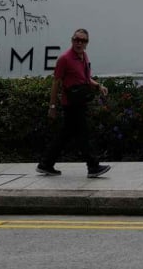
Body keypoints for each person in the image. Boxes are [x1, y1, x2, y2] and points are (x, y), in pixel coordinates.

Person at [37, 28, 110, 178]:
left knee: (65, 134)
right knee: (83, 133)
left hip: (80, 101)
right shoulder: (64, 59)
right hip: (70, 103)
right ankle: (93, 166)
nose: (79, 43)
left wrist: (98, 86)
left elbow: (85, 79)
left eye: (82, 40)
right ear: (72, 40)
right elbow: (56, 83)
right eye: (76, 39)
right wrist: (52, 106)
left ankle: (46, 163)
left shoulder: (84, 57)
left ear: (86, 43)